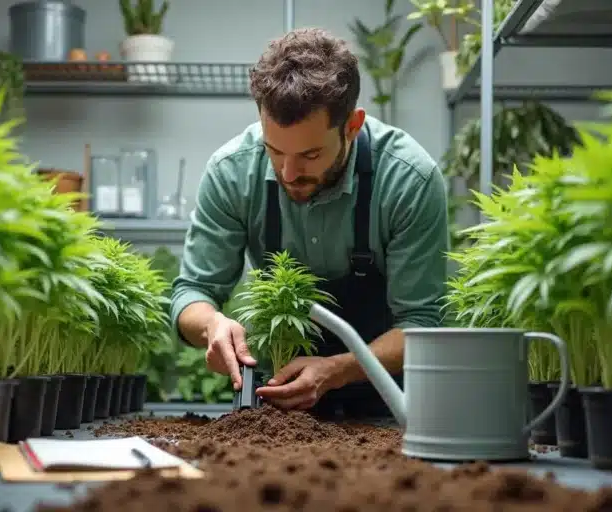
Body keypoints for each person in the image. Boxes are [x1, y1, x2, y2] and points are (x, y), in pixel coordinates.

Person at [169, 27, 449, 420]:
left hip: (386, 407)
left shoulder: (406, 179)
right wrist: (211, 325)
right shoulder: (231, 172)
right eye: (274, 150)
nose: (288, 172)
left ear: (352, 126)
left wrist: (337, 370)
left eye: (311, 154)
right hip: (275, 410)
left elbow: (422, 325)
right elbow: (191, 293)